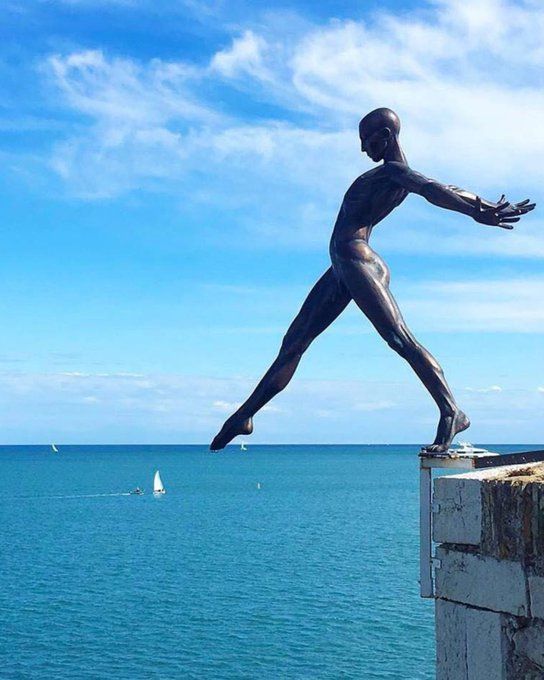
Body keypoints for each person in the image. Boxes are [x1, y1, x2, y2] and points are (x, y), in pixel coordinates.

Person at [210, 108, 535, 453]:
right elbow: (445, 188)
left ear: (386, 136)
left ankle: (451, 411)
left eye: (367, 140)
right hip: (342, 266)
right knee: (294, 342)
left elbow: (432, 189)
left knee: (399, 338)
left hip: (356, 259)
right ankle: (244, 416)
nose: (364, 149)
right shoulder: (398, 175)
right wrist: (482, 204)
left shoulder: (394, 172)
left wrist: (474, 212)